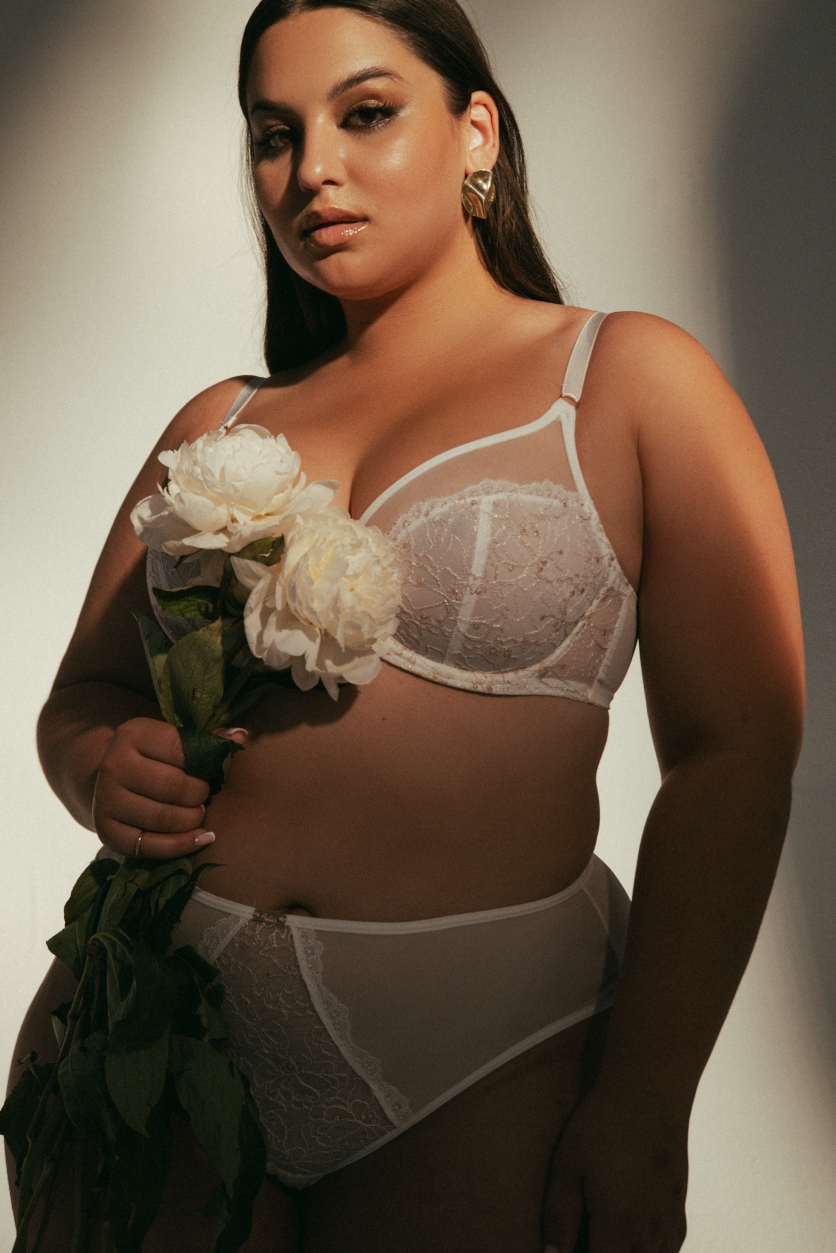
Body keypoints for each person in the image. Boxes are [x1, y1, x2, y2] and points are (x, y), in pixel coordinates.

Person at [8, 1, 804, 1250]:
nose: (311, 170)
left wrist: (649, 1096)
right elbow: (84, 696)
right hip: (152, 1010)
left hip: (488, 1047)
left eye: (365, 113)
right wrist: (100, 762)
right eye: (274, 134)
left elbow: (735, 750)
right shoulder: (221, 418)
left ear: (474, 132)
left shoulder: (626, 381)